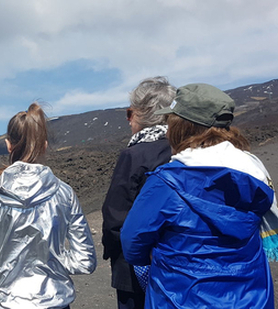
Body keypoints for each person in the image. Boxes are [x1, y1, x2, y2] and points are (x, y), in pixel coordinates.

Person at [121, 83, 278, 308]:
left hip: (181, 297)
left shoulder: (166, 183)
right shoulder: (254, 172)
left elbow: (132, 241)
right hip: (251, 296)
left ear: (181, 127)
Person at [0, 103, 97, 309]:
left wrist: (9, 265)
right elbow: (85, 261)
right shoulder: (64, 193)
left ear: (8, 145)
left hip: (9, 302)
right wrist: (50, 261)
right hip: (55, 301)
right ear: (44, 145)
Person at [101, 77, 175, 309]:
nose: (128, 120)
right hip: (175, 260)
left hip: (135, 264)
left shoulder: (134, 155)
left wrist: (113, 250)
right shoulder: (183, 149)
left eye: (129, 112)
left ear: (143, 113)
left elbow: (116, 214)